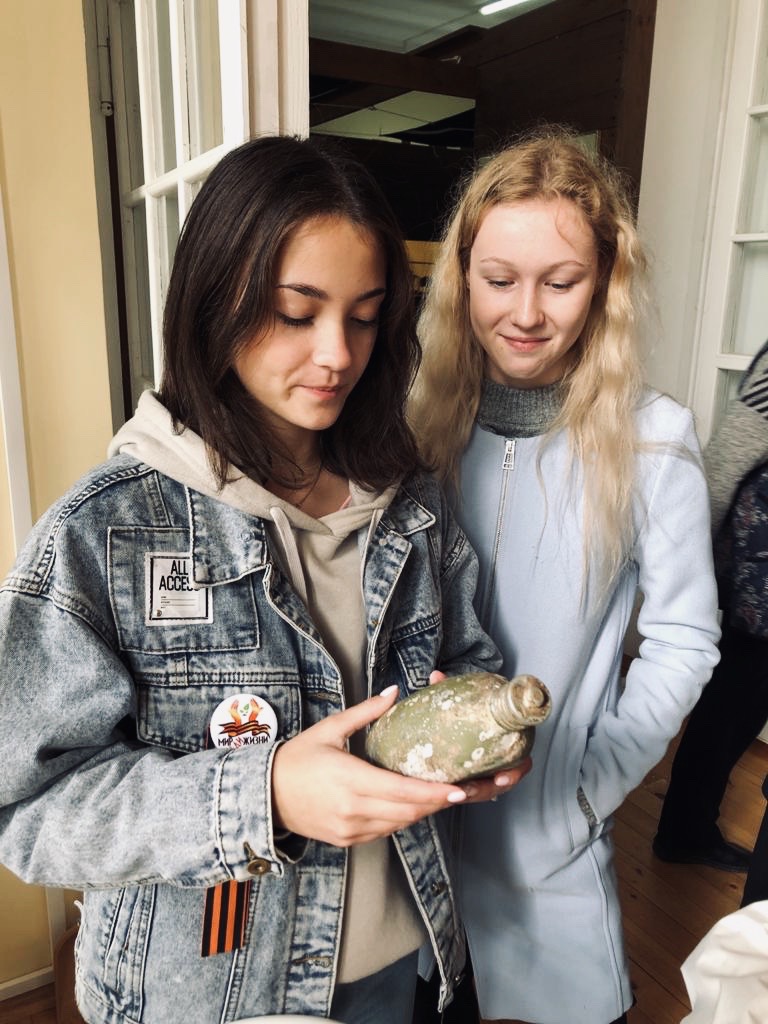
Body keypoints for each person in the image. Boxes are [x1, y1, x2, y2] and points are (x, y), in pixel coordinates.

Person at [0, 135, 528, 1024]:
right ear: (217, 301)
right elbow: (28, 807)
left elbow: (465, 657)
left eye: (365, 317)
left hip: (404, 969)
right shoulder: (106, 532)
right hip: (206, 998)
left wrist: (480, 738)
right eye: (296, 312)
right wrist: (265, 794)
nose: (337, 354)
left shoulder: (410, 501)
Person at [409, 128, 722, 1024]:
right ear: (462, 277)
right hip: (411, 849)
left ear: (606, 281)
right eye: (499, 279)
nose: (527, 313)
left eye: (561, 281)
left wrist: (589, 788)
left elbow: (685, 640)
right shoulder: (414, 426)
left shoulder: (653, 439)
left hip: (549, 850)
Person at [654, 338, 768, 874]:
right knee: (731, 708)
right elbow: (729, 458)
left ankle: (686, 828)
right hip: (762, 584)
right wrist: (691, 566)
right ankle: (684, 832)